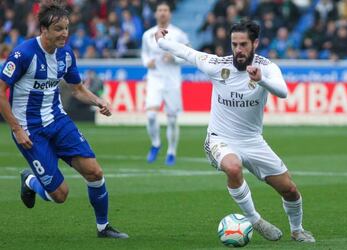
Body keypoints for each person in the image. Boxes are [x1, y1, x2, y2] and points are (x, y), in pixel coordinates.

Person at [154, 19, 315, 243]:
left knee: (289, 190)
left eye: (243, 45)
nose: (238, 50)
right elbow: (186, 52)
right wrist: (162, 41)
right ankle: (254, 219)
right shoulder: (218, 65)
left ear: (255, 43)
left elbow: (283, 92)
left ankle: (297, 230)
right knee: (233, 166)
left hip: (252, 140)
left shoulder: (267, 68)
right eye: (234, 44)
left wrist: (262, 81)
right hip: (220, 139)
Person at [0, 3, 128, 239]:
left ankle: (104, 227)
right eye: (58, 29)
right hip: (31, 130)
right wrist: (17, 129)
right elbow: (1, 90)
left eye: (66, 28)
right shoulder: (23, 54)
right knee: (60, 195)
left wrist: (99, 101)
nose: (64, 34)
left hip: (58, 121)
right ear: (43, 29)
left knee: (95, 172)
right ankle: (30, 180)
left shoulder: (66, 54)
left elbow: (77, 89)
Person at [141, 1, 189, 166]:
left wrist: (174, 57)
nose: (162, 13)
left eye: (165, 10)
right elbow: (144, 54)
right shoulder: (147, 35)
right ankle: (155, 143)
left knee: (171, 119)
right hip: (154, 79)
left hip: (172, 81)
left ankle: (171, 151)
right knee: (151, 115)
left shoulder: (179, 34)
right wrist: (147, 62)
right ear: (155, 14)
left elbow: (187, 54)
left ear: (170, 13)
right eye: (160, 10)